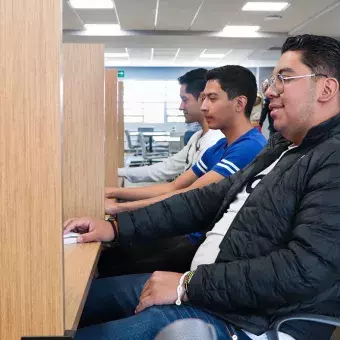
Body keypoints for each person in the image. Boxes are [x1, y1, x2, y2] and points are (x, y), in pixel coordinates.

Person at [66, 34, 340, 340]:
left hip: (244, 320)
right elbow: (205, 200)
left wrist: (187, 285)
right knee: (71, 298)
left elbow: (302, 271)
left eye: (284, 78)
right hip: (210, 292)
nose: (271, 90)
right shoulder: (282, 148)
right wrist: (115, 227)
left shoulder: (333, 157)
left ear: (326, 88)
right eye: (272, 79)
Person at [106, 65, 266, 216]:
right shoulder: (220, 145)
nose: (204, 107)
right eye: (204, 99)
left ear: (239, 104)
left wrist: (118, 208)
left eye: (212, 98)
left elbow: (189, 195)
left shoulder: (249, 147)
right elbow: (173, 186)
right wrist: (113, 193)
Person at [118, 68, 223, 183]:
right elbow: (166, 168)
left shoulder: (215, 142)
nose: (181, 106)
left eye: (184, 100)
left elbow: (192, 192)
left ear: (203, 98)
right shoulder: (197, 137)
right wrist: (121, 172)